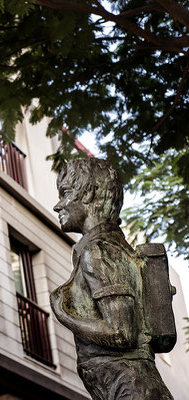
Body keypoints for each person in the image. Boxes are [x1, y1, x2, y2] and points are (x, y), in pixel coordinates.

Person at [50, 158, 172, 400]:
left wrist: (64, 315)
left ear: (90, 194)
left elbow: (121, 332)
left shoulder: (97, 251)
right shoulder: (114, 247)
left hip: (132, 388)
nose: (58, 205)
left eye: (65, 194)